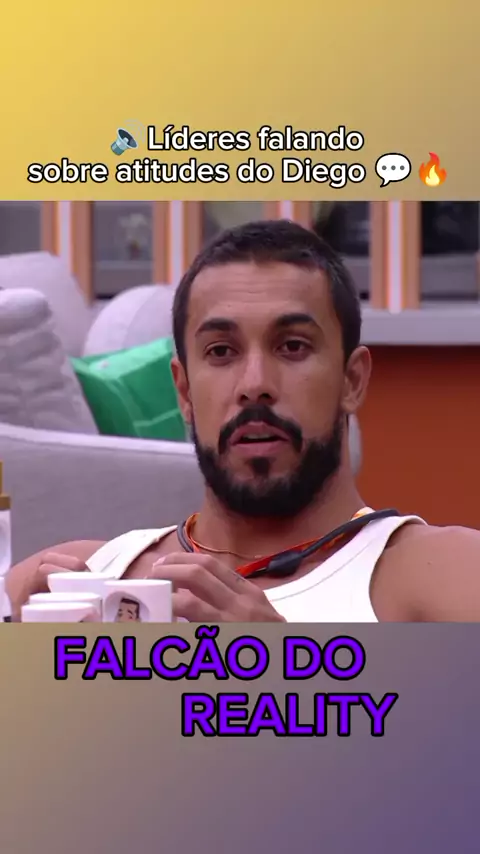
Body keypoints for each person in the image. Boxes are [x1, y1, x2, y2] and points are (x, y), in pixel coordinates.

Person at [7, 219, 480, 622]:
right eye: (221, 351)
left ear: (351, 381)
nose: (254, 384)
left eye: (292, 346)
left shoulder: (441, 573)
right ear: (184, 392)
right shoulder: (78, 577)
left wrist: (285, 666)